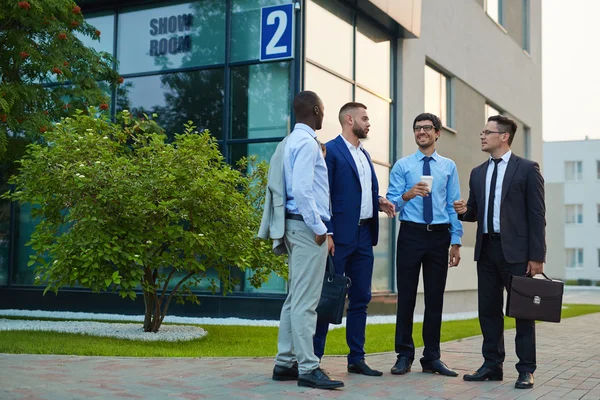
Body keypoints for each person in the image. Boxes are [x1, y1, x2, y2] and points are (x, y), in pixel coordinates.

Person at [454, 115, 545, 390]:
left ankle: (526, 369)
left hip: (517, 253)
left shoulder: (527, 169)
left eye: (487, 132)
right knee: (488, 311)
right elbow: (475, 212)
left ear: (503, 136)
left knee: (523, 313)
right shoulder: (478, 172)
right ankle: (492, 365)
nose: (482, 136)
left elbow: (537, 215)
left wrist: (537, 256)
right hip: (487, 250)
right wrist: (463, 212)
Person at [312, 102, 396, 377]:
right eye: (364, 118)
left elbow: (363, 191)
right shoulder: (332, 151)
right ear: (349, 119)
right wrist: (329, 232)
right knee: (329, 297)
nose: (368, 123)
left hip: (364, 236)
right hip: (339, 236)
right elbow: (323, 193)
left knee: (361, 297)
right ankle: (314, 358)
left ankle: (356, 358)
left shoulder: (365, 154)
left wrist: (380, 200)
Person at [270, 90, 344, 390]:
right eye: (323, 109)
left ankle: (284, 362)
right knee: (306, 302)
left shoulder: (290, 141)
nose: (324, 114)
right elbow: (302, 190)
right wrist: (320, 228)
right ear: (315, 110)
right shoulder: (307, 144)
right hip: (305, 228)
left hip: (292, 226)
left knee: (294, 298)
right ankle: (308, 368)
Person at [386, 113, 463, 377]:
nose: (421, 132)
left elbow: (454, 206)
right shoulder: (403, 166)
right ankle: (404, 355)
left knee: (434, 299)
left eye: (427, 128)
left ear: (437, 133)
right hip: (411, 235)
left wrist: (456, 240)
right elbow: (392, 204)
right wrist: (408, 194)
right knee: (406, 297)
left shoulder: (448, 166)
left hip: (439, 237)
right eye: (417, 128)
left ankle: (432, 357)